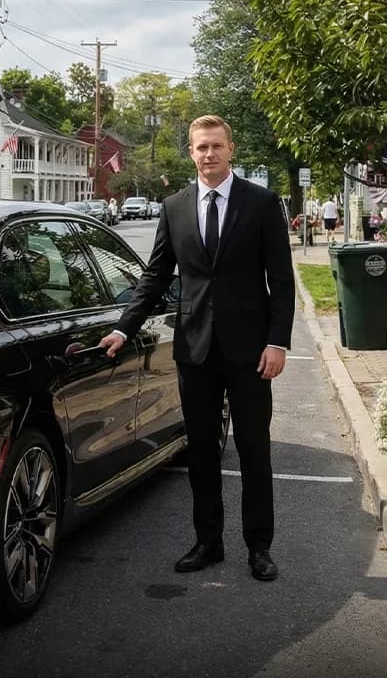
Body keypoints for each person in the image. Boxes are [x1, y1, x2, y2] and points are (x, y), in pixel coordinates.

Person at [99, 115, 294, 582]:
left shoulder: (262, 203)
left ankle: (259, 547)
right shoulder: (174, 206)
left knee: (253, 450)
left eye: (216, 146)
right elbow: (155, 276)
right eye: (201, 147)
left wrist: (278, 342)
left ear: (231, 149)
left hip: (250, 351)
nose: (209, 154)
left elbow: (282, 280)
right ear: (191, 152)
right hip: (195, 349)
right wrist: (124, 329)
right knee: (202, 452)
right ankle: (208, 542)